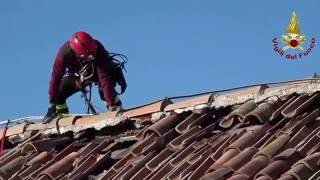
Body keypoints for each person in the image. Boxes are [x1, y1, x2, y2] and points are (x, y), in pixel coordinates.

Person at [43, 31, 127, 123]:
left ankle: (118, 110)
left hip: (99, 71)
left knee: (106, 92)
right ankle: (64, 121)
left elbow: (104, 77)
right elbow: (56, 77)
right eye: (88, 56)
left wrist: (111, 104)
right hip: (78, 75)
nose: (91, 56)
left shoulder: (98, 48)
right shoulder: (64, 54)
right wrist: (52, 103)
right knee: (59, 94)